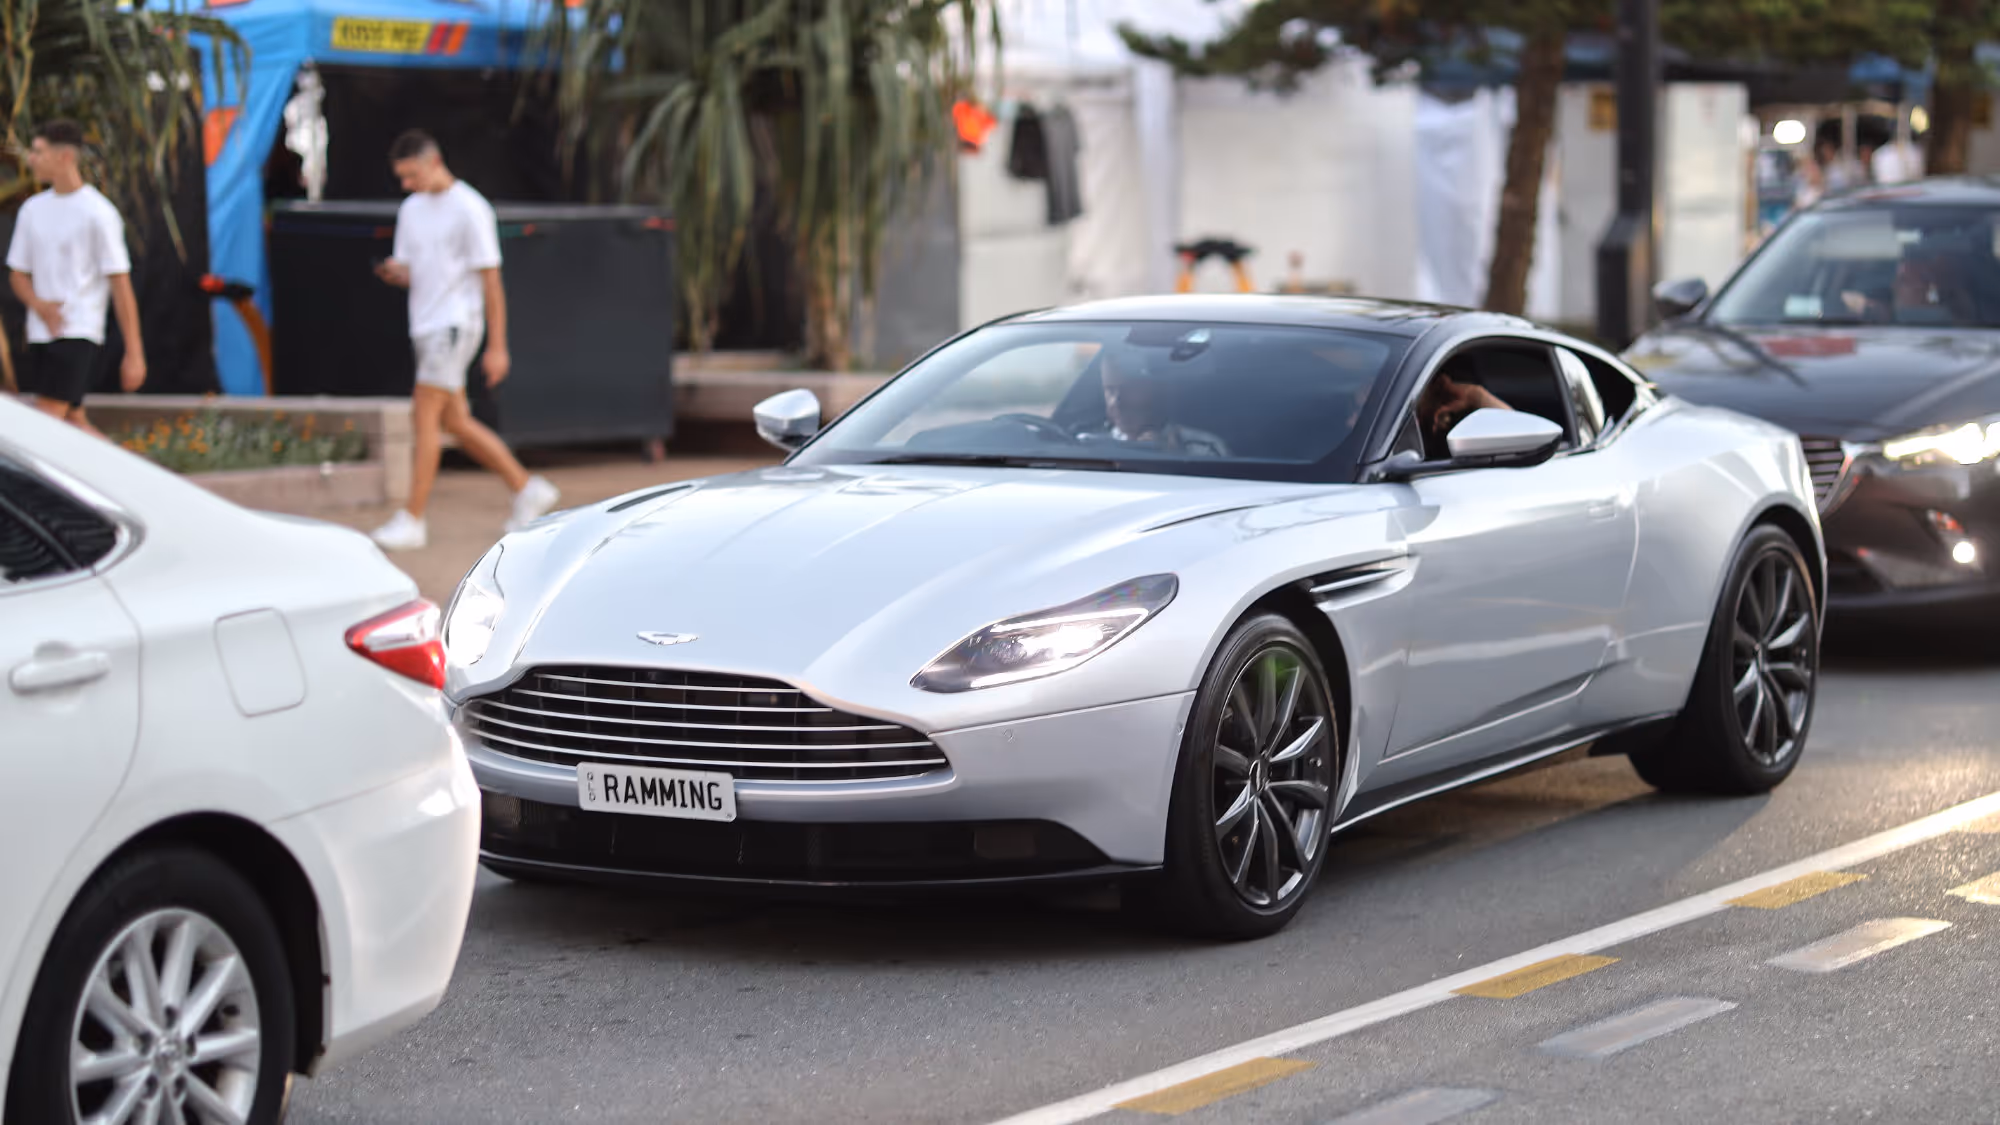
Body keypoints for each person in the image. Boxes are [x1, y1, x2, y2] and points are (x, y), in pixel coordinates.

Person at [369, 130, 557, 551]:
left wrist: (498, 346)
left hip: (455, 325)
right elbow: (415, 268)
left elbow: (492, 281)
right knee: (454, 422)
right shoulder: (411, 210)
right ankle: (526, 488)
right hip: (425, 323)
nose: (406, 184)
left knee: (425, 415)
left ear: (434, 162)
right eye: (401, 177)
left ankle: (412, 518)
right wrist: (396, 273)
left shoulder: (471, 209)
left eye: (411, 174)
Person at [6, 119, 145, 433]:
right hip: (40, 334)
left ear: (65, 157)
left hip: (78, 333)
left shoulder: (99, 213)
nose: (31, 158)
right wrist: (39, 305)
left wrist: (134, 353)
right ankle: (126, 479)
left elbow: (120, 286)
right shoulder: (32, 210)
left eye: (39, 151)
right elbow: (17, 273)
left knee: (45, 425)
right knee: (73, 421)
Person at [1084, 346, 1228, 456]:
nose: (1116, 402)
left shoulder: (1204, 448)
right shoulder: (1089, 446)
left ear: (1155, 390)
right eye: (1110, 390)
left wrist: (1173, 459)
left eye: (1128, 390)